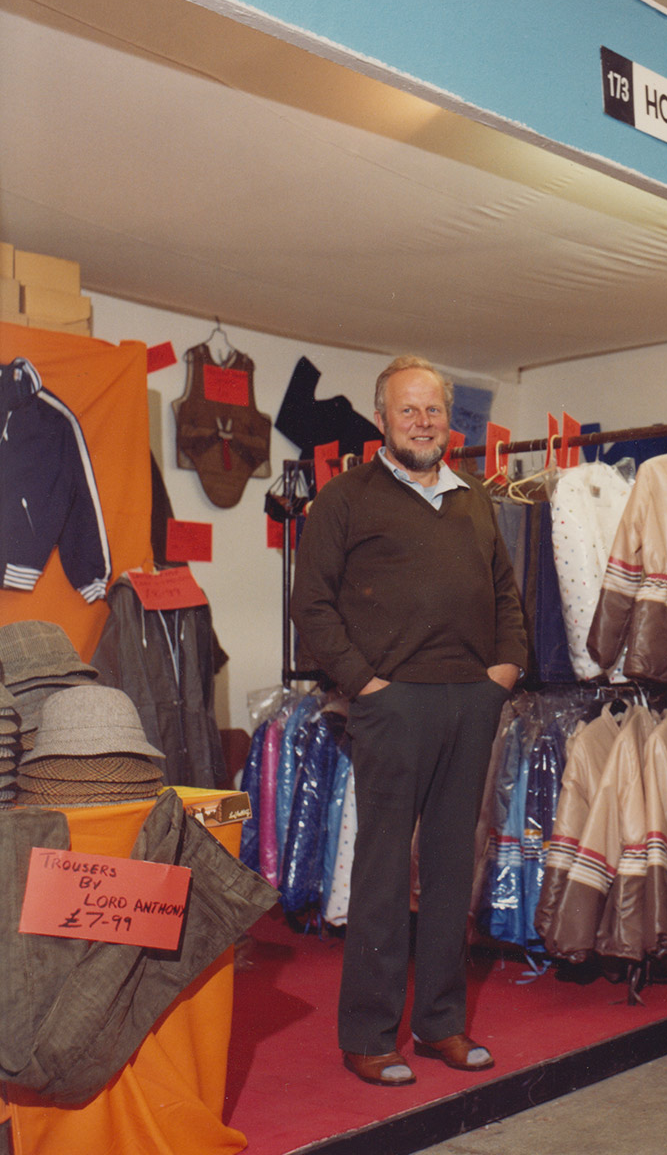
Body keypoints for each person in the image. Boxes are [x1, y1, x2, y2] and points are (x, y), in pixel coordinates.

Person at [290, 355, 528, 1086]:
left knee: (454, 872)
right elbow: (313, 606)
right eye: (408, 411)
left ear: (447, 422)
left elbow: (506, 596)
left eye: (433, 411)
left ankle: (441, 1026)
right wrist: (366, 684)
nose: (423, 423)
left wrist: (504, 671)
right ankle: (367, 1035)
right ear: (383, 420)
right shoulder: (344, 498)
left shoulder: (474, 498)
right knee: (385, 875)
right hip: (391, 706)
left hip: (471, 701)